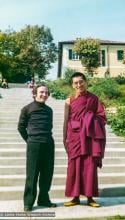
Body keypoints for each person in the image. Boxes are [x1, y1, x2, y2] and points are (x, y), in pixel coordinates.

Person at [63, 72, 107, 208]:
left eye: (81, 82)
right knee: (74, 167)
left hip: (89, 138)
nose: (78, 85)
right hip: (75, 137)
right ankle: (75, 197)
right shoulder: (69, 100)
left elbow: (102, 117)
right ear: (72, 85)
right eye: (75, 83)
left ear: (86, 82)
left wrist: (89, 120)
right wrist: (65, 139)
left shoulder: (94, 99)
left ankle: (90, 198)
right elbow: (66, 121)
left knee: (89, 167)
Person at [18, 84, 56, 212]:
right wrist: (29, 140)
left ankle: (44, 199)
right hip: (34, 144)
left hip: (48, 144)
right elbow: (21, 127)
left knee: (47, 174)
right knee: (32, 174)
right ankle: (28, 202)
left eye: (46, 92)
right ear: (34, 93)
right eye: (41, 92)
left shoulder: (49, 110)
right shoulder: (27, 109)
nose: (44, 94)